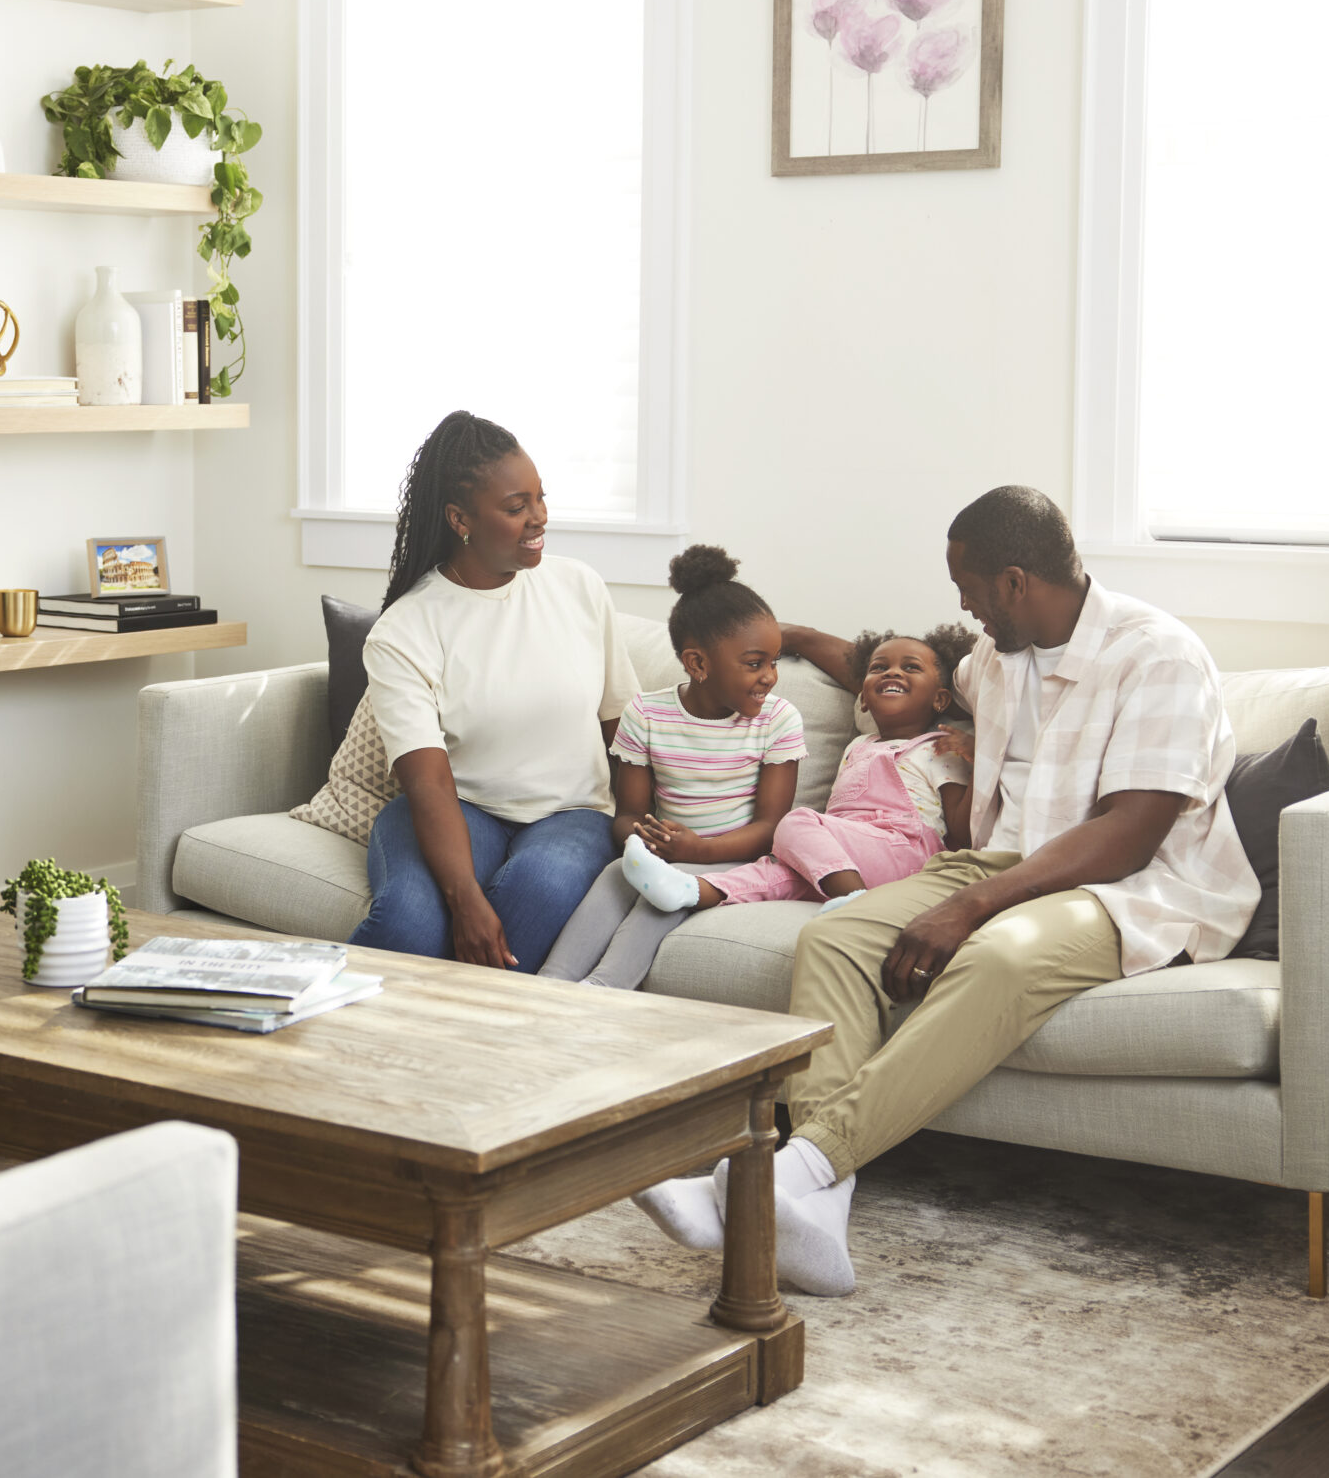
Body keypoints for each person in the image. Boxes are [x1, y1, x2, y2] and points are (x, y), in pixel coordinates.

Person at [633, 486, 1259, 1298]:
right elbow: (878, 674)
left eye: (967, 587)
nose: (960, 606)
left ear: (1013, 581)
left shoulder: (1156, 656)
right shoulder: (995, 658)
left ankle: (790, 1171)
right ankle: (820, 1209)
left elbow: (1131, 831)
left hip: (1134, 883)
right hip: (1002, 861)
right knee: (835, 936)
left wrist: (967, 907)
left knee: (996, 958)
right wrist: (777, 636)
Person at [351, 411, 638, 971]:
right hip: (459, 808)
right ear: (460, 518)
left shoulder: (578, 586)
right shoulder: (405, 629)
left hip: (572, 813)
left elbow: (619, 725)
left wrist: (635, 823)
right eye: (516, 507)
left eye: (539, 498)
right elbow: (428, 778)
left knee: (538, 893)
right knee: (409, 922)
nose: (539, 518)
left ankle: (439, 1045)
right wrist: (464, 901)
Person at [538, 546, 806, 989]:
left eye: (773, 662)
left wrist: (696, 851)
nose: (770, 677)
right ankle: (550, 983)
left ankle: (604, 988)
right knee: (613, 874)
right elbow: (627, 815)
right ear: (698, 663)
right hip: (668, 851)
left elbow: (771, 826)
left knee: (664, 892)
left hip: (732, 858)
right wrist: (643, 839)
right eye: (755, 663)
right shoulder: (645, 714)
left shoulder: (779, 720)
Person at [617, 627, 974, 929]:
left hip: (905, 852)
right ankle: (689, 889)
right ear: (862, 697)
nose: (892, 673)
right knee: (774, 873)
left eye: (910, 667)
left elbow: (960, 832)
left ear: (941, 699)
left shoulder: (941, 748)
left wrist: (979, 763)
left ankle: (854, 902)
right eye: (879, 667)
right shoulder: (859, 745)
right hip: (841, 856)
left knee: (795, 822)